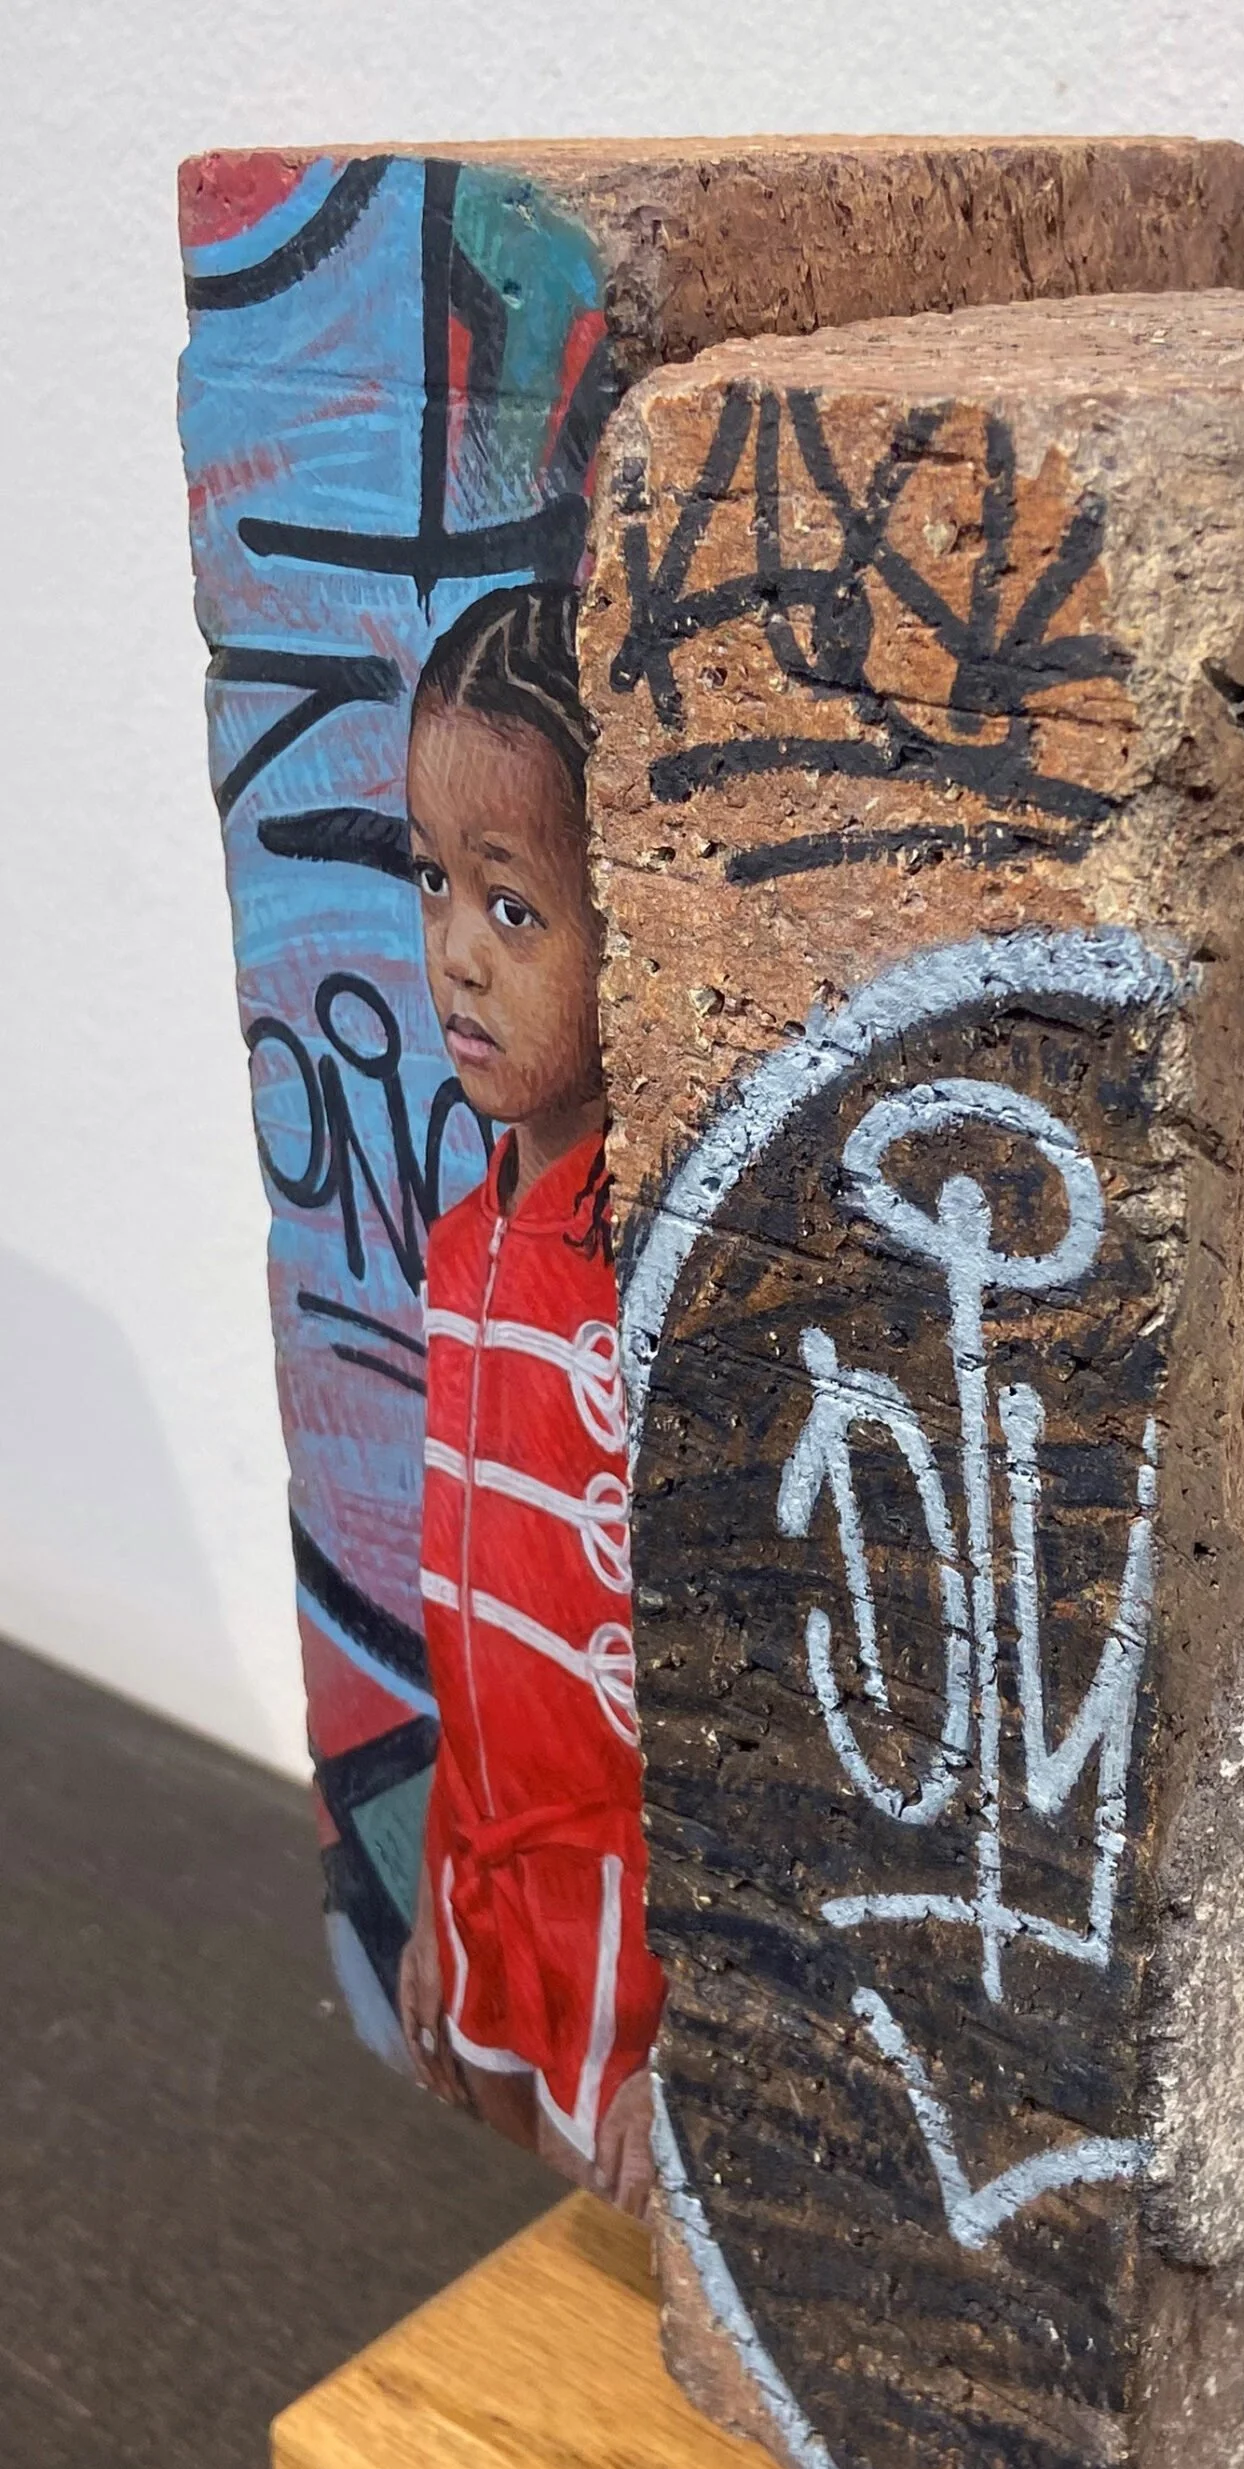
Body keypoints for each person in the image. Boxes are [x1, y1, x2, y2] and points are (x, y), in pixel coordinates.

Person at [395, 581, 665, 2215]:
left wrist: (715, 2026)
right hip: (494, 1916)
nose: (451, 956)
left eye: (513, 908)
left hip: (646, 1962)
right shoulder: (455, 1252)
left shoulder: (653, 1271)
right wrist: (436, 1895)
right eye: (434, 882)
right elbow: (465, 1642)